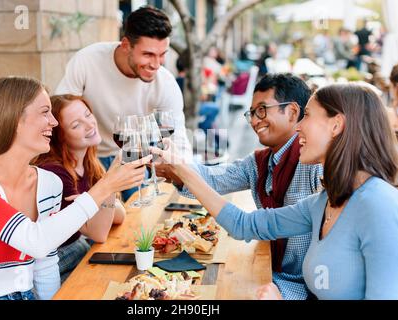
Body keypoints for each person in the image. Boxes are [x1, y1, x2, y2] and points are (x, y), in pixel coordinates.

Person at [152, 83, 398, 299]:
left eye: (307, 116)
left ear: (336, 125)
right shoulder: (324, 202)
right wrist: (182, 171)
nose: (299, 127)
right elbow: (244, 225)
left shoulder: (379, 206)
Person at [0, 76, 150, 300]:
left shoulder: (48, 183)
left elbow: (45, 265)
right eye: (45, 112)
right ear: (15, 120)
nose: (54, 122)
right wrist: (106, 186)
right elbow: (35, 241)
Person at [157, 74, 323, 300]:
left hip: (299, 287)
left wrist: (182, 171)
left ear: (293, 112)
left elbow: (243, 225)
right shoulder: (259, 162)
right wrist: (175, 168)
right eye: (252, 113)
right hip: (266, 270)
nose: (255, 121)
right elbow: (213, 177)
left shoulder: (315, 166)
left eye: (262, 110)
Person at [55, 6, 192, 201]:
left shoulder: (165, 83)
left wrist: (188, 181)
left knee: (142, 210)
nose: (156, 64)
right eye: (148, 54)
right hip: (88, 156)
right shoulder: (87, 60)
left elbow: (178, 137)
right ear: (126, 44)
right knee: (92, 221)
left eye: (162, 54)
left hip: (132, 156)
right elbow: (60, 111)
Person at [34, 95, 127, 283]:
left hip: (78, 248)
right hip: (57, 261)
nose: (89, 124)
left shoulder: (88, 163)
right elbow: (99, 233)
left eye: (88, 115)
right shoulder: (55, 173)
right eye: (76, 125)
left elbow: (118, 216)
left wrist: (96, 197)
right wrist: (108, 183)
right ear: (60, 137)